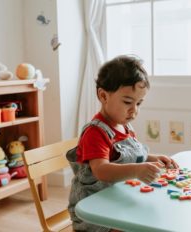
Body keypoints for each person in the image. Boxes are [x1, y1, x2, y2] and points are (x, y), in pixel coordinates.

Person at [67, 55, 179, 232]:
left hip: (116, 199)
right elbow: (101, 170)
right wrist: (136, 170)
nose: (134, 110)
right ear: (103, 96)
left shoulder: (124, 126)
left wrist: (152, 158)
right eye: (127, 102)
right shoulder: (95, 132)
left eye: (139, 103)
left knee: (154, 215)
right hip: (94, 212)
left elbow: (129, 156)